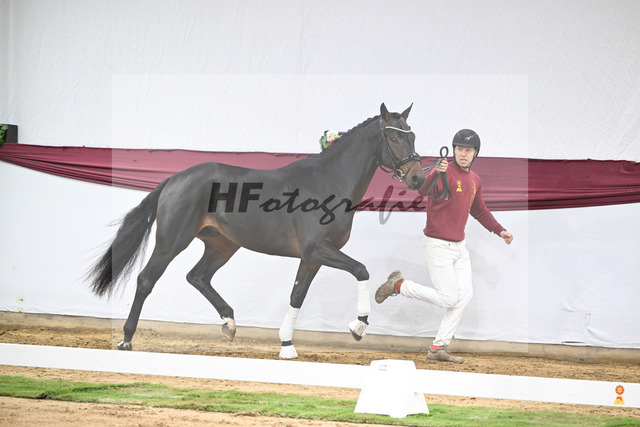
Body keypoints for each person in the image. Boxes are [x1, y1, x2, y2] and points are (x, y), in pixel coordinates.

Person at [374, 129, 513, 364]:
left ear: (475, 153)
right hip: (437, 245)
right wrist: (435, 173)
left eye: (468, 150)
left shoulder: (475, 180)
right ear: (454, 150)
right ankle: (399, 285)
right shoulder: (443, 171)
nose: (463, 154)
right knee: (449, 299)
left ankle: (439, 347)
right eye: (459, 149)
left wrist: (499, 230)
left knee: (464, 296)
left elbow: (479, 210)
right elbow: (422, 190)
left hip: (459, 247)